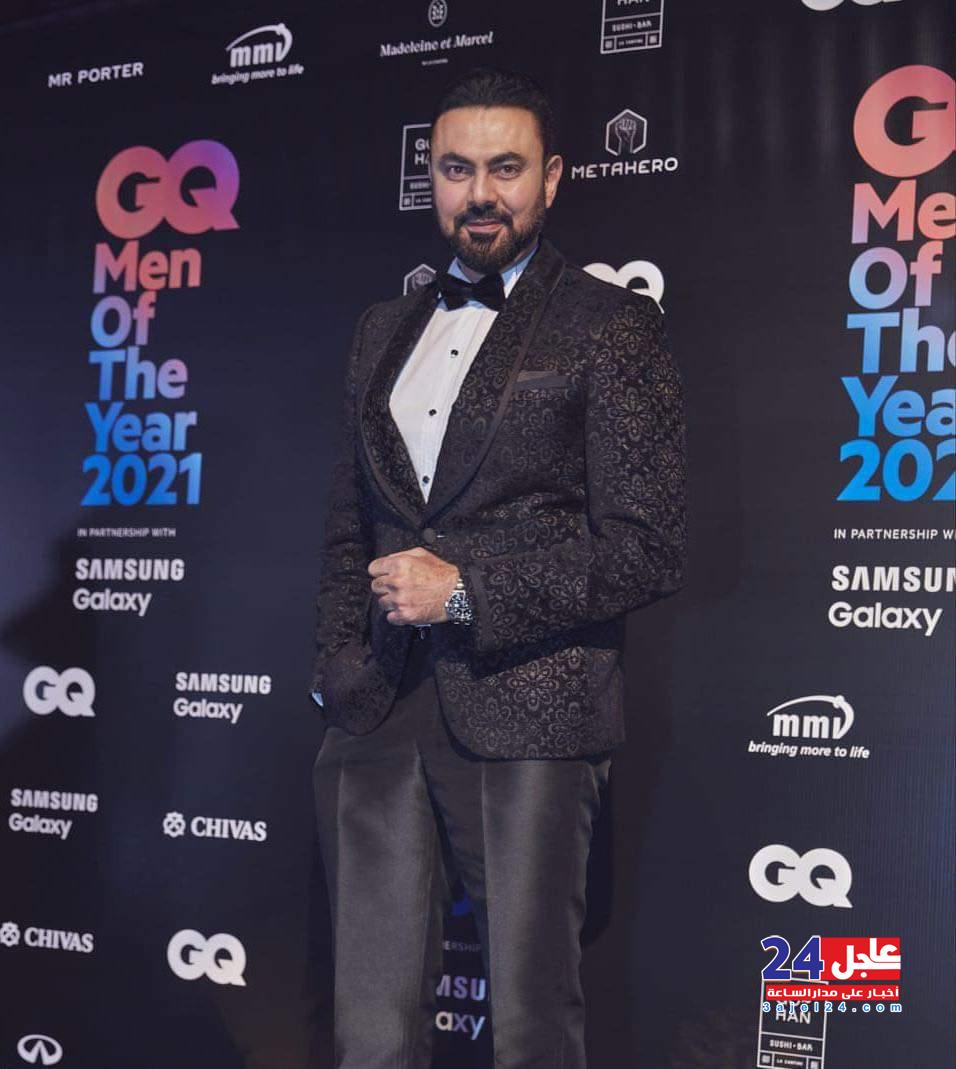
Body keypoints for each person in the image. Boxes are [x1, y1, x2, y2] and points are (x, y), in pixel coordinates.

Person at [310, 67, 686, 1069]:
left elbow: (646, 547)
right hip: (376, 710)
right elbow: (351, 520)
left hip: (533, 714)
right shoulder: (380, 331)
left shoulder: (611, 326)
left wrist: (467, 592)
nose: (480, 193)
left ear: (551, 178)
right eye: (456, 169)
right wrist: (338, 668)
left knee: (528, 1029)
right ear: (430, 178)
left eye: (505, 168)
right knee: (369, 1035)